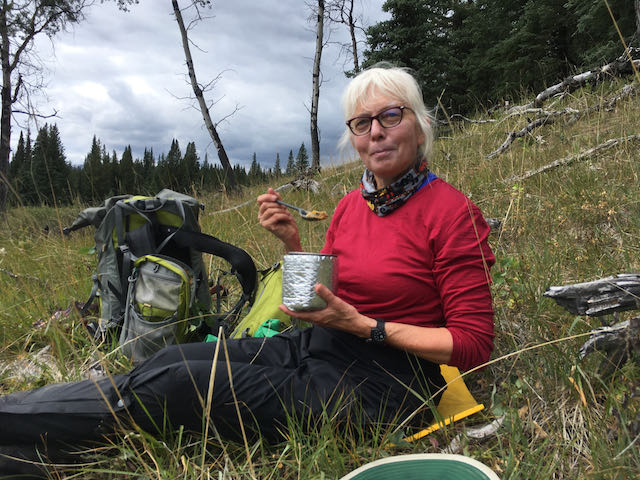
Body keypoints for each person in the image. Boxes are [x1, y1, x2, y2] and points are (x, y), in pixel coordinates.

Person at [0, 64, 494, 474]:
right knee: (170, 361)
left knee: (176, 387)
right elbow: (313, 306)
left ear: (420, 124)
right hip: (315, 347)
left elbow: (473, 345)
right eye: (361, 123)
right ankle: (26, 450)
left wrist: (366, 327)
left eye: (391, 115)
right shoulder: (350, 206)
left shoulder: (451, 212)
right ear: (353, 138)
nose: (376, 132)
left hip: (383, 387)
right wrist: (293, 243)